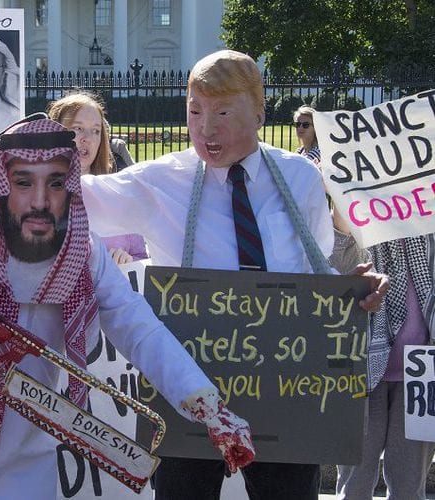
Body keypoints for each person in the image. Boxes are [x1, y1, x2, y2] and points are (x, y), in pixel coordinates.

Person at [0, 117, 255, 499]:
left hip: (24, 470)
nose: (40, 200)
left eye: (55, 183)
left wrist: (208, 406)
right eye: (23, 183)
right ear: (1, 185)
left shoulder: (84, 253)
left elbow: (138, 326)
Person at [80, 49, 389, 500]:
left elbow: (313, 267)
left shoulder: (299, 177)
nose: (206, 128)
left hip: (287, 389)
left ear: (261, 112)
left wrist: (352, 288)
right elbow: (67, 197)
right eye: (194, 111)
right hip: (188, 391)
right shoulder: (159, 181)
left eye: (223, 112)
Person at [333, 232, 435, 498]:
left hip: (422, 375)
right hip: (360, 367)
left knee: (409, 487)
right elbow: (338, 261)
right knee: (354, 484)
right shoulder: (360, 225)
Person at [48, 92, 147, 264]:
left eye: (95, 131)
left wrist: (129, 262)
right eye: (77, 128)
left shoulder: (119, 197)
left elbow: (142, 260)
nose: (87, 138)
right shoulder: (34, 199)